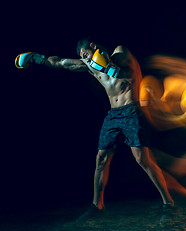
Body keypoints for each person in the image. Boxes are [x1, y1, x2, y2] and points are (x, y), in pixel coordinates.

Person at [15, 38, 174, 218]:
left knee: (142, 159)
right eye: (83, 58)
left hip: (131, 111)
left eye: (86, 55)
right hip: (113, 115)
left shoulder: (120, 52)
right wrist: (37, 58)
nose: (86, 60)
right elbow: (61, 62)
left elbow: (128, 75)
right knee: (101, 158)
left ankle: (168, 201)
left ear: (92, 46)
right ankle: (97, 205)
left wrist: (105, 65)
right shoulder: (90, 64)